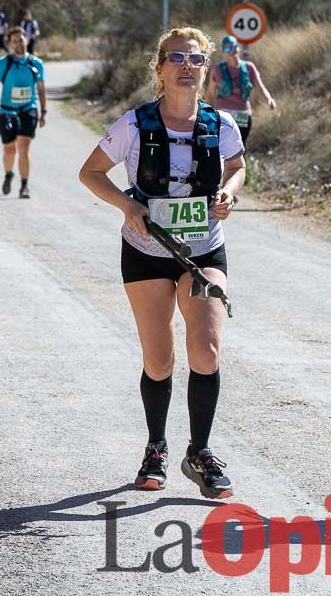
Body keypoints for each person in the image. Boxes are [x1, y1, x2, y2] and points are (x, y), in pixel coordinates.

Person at [78, 27, 245, 499]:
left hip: (203, 250)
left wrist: (228, 194)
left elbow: (237, 166)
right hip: (147, 251)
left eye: (195, 60)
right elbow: (90, 172)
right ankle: (156, 447)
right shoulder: (134, 125)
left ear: (205, 70)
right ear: (160, 69)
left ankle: (201, 451)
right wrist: (127, 206)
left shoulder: (220, 124)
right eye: (177, 58)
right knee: (159, 359)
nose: (186, 66)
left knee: (207, 351)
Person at [0, 27, 46, 199]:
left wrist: (43, 112)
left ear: (26, 40)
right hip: (7, 111)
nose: (18, 44)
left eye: (21, 40)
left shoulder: (36, 63)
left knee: (24, 146)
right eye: (14, 41)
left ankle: (24, 186)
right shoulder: (4, 62)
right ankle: (8, 174)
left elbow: (41, 90)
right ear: (10, 43)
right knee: (9, 150)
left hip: (28, 109)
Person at [206, 35, 275, 145]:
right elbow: (210, 93)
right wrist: (207, 114)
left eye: (234, 46)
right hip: (223, 114)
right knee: (222, 147)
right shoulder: (218, 69)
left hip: (243, 115)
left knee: (240, 147)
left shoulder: (249, 67)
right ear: (223, 53)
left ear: (238, 48)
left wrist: (269, 100)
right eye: (227, 48)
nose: (232, 50)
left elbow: (260, 87)